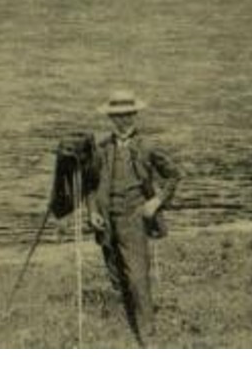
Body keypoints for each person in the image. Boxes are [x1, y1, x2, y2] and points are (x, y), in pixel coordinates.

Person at [84, 89, 181, 346]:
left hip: (135, 216)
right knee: (116, 272)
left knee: (137, 276)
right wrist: (92, 211)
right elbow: (90, 184)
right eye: (117, 116)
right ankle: (128, 319)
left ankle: (147, 338)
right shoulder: (101, 147)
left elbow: (174, 175)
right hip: (106, 217)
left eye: (127, 115)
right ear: (110, 118)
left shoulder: (147, 146)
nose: (123, 120)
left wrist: (156, 201)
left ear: (135, 115)